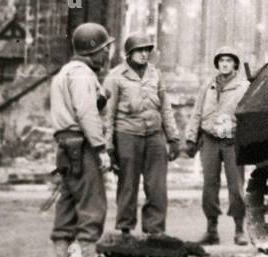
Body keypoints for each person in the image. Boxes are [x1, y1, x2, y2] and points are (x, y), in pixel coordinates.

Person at [50, 22, 118, 257]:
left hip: (65, 145)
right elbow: (86, 112)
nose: (107, 54)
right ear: (94, 50)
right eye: (104, 49)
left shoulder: (64, 73)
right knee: (92, 203)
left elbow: (71, 108)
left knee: (67, 202)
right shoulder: (82, 75)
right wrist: (101, 148)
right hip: (83, 144)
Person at [102, 32, 179, 237]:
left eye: (147, 50)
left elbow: (165, 107)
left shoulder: (155, 74)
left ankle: (155, 230)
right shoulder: (116, 76)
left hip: (154, 135)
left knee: (157, 186)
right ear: (129, 53)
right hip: (127, 134)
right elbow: (109, 114)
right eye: (139, 50)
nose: (144, 54)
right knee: (128, 184)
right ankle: (125, 229)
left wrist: (172, 137)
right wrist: (109, 146)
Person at [185, 46, 249, 246]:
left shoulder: (244, 87)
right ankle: (211, 230)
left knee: (236, 187)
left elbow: (248, 115)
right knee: (209, 186)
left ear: (235, 64)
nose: (225, 64)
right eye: (221, 61)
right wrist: (190, 138)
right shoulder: (208, 86)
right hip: (210, 140)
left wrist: (245, 139)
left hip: (232, 141)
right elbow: (197, 112)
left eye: (229, 61)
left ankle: (239, 230)